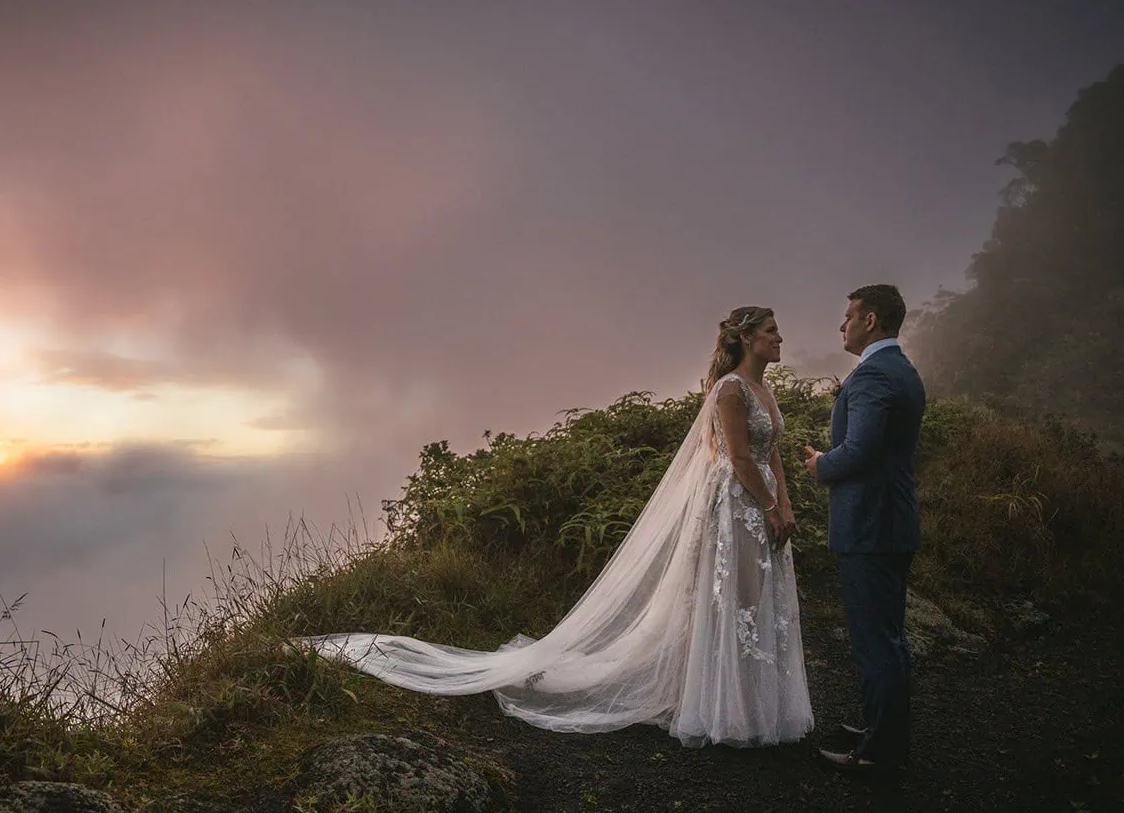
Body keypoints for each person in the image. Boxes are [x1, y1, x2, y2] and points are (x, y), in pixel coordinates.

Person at [301, 307, 814, 748]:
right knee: (736, 601)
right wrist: (770, 505)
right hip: (735, 504)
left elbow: (771, 455)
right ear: (746, 337)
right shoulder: (729, 389)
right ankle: (730, 710)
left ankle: (756, 706)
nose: (779, 338)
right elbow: (739, 456)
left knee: (758, 600)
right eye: (771, 330)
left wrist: (784, 503)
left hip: (763, 502)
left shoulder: (763, 390)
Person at [805, 284, 926, 777]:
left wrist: (819, 464)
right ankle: (882, 728)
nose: (842, 325)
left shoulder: (875, 374)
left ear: (871, 320)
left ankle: (880, 750)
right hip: (893, 518)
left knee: (875, 640)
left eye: (849, 316)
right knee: (889, 635)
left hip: (871, 525)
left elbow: (860, 450)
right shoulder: (903, 369)